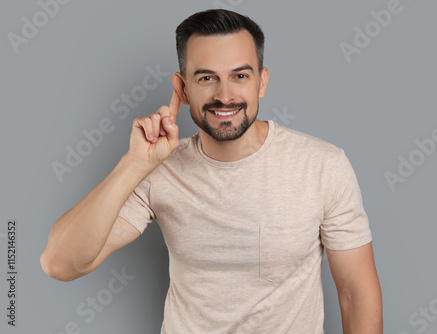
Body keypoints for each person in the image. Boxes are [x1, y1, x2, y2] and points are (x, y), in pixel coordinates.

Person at [40, 9, 383, 334]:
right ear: (183, 89)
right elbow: (61, 263)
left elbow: (356, 291)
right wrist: (134, 164)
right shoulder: (159, 171)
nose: (225, 95)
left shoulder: (323, 165)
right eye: (207, 78)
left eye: (240, 76)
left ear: (261, 82)